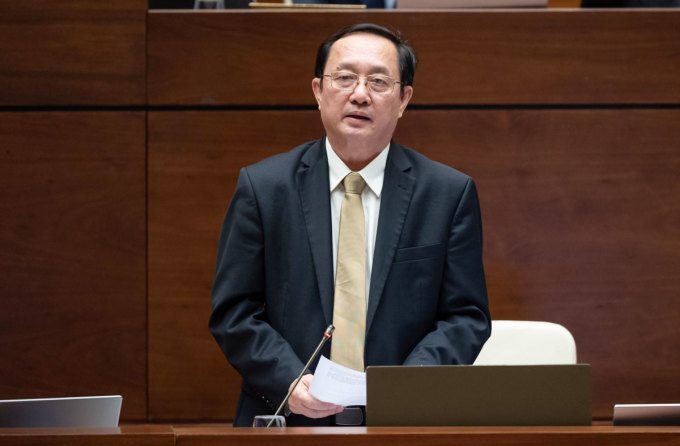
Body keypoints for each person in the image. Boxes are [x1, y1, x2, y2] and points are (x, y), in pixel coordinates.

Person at [209, 23, 491, 427]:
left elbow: (466, 317)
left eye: (378, 81)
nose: (360, 94)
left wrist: (406, 388)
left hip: (405, 425)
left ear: (403, 99)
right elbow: (234, 312)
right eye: (343, 78)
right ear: (318, 91)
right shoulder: (264, 188)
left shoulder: (447, 194)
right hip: (287, 423)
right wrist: (291, 381)